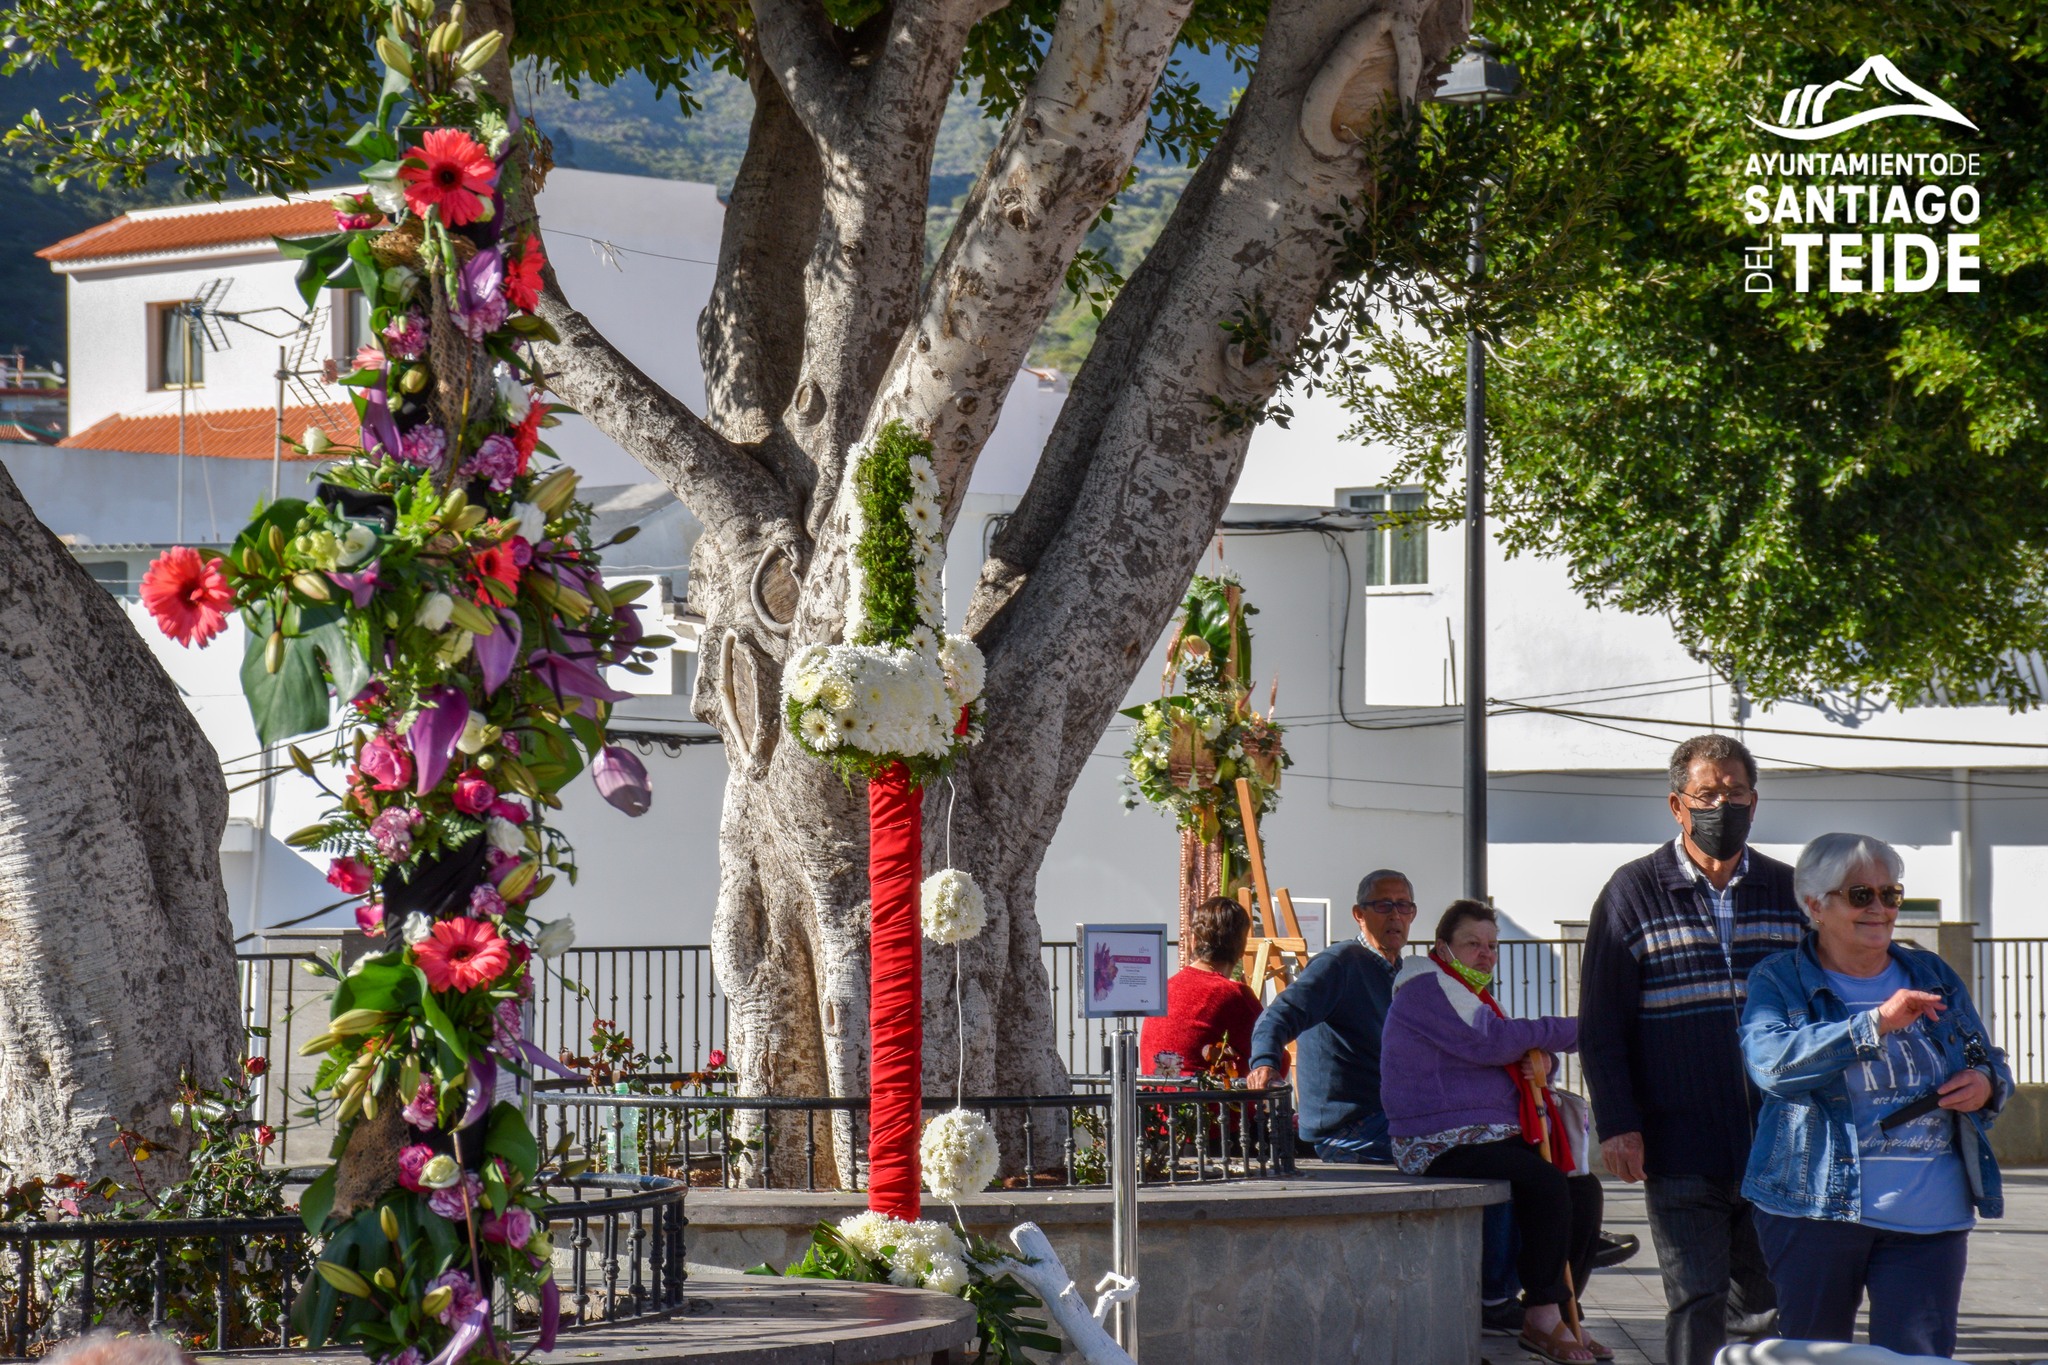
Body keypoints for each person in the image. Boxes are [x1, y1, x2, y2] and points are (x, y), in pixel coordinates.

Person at [1578, 734, 1807, 1365]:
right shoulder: (1632, 892)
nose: (1722, 806)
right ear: (1677, 806)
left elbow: (1820, 1008)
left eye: (1735, 793)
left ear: (1755, 803)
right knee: (1696, 1298)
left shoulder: (1790, 893)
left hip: (1776, 1143)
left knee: (1764, 1305)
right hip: (1677, 1142)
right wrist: (1619, 1125)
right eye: (1707, 795)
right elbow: (1601, 1023)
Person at [1740, 833, 2012, 1357]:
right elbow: (1770, 1066)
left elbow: (1987, 1059)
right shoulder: (1780, 979)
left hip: (1930, 1219)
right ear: (1814, 904)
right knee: (1813, 1357)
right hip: (1815, 1211)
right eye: (1861, 895)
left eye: (1891, 894)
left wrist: (1985, 1085)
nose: (1881, 908)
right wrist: (1875, 1024)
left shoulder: (1930, 972)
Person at [1382, 899, 1607, 1364]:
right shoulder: (1427, 984)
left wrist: (1544, 1056)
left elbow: (1513, 1046)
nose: (1485, 954)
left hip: (1486, 1133)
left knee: (1584, 1191)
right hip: (1438, 1139)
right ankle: (1542, 1315)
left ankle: (1562, 1311)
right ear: (1444, 947)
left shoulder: (1469, 993)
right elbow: (1490, 1041)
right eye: (1473, 944)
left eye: (1492, 946)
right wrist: (1586, 1029)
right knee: (1544, 1183)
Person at [1246, 868, 1417, 1161]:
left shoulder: (1402, 973)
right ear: (1359, 914)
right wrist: (1265, 1062)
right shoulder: (1341, 963)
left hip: (1386, 1119)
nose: (1395, 915)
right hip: (1349, 1131)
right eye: (1383, 905)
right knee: (1465, 1153)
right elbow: (1279, 1014)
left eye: (1404, 906)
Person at [1141, 896, 1263, 1078]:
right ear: (1242, 946)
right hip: (1203, 1103)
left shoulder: (1165, 988)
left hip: (1154, 1101)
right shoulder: (1233, 994)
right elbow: (1273, 1060)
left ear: (1194, 941)